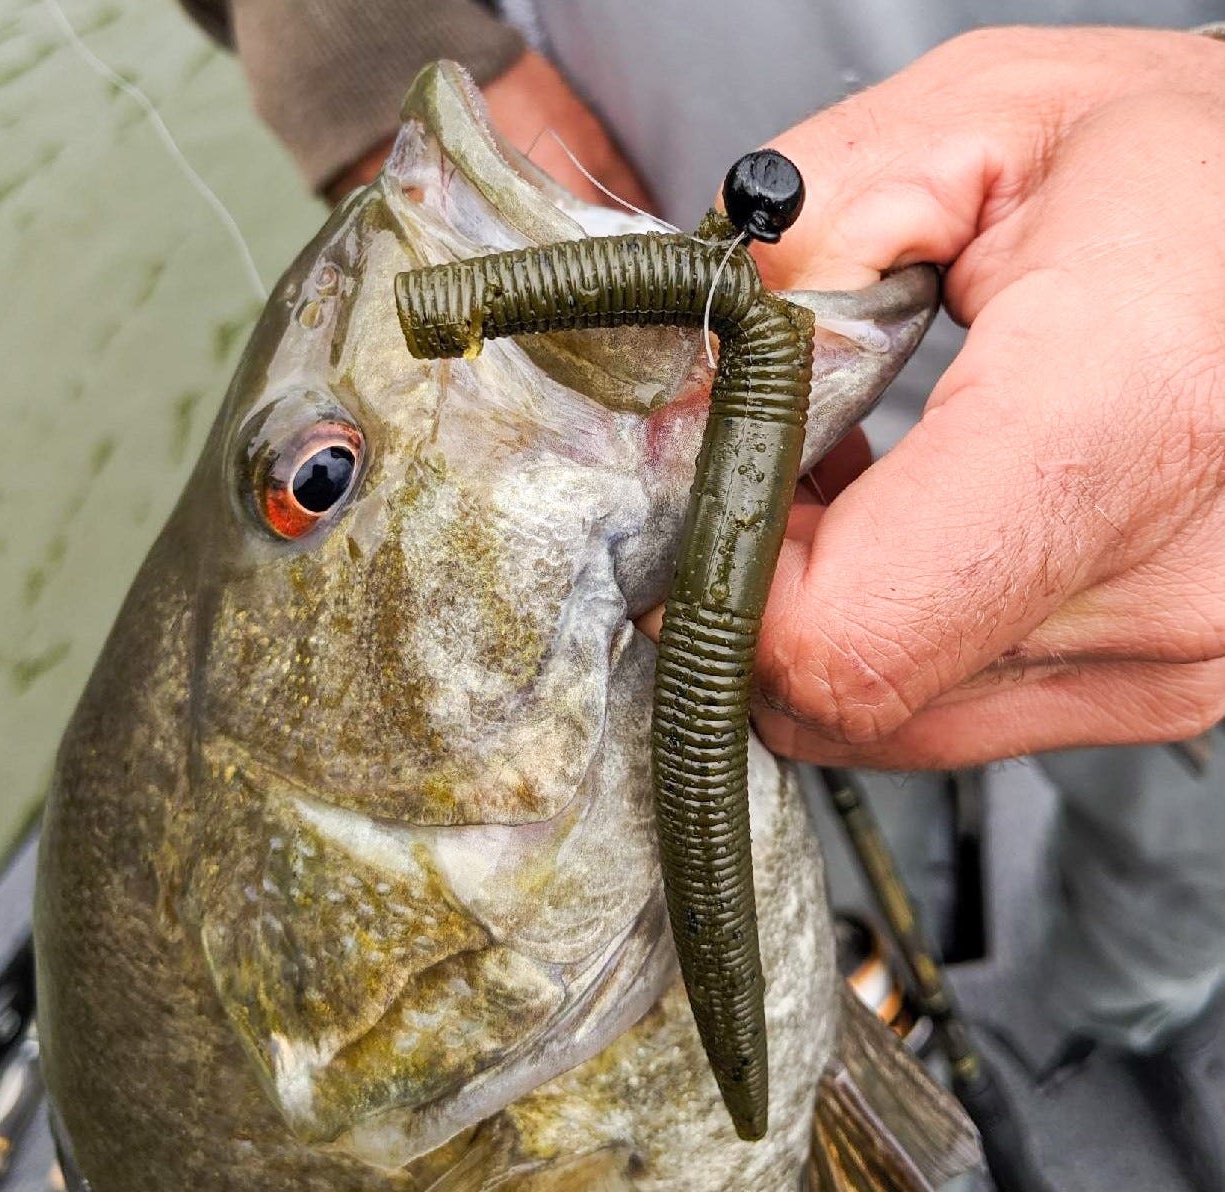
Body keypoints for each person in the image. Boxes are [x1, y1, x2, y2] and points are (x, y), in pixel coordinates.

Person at [177, 2, 1225, 1185]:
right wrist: (351, 37)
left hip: (1158, 304)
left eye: (321, 475)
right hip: (677, 311)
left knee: (1179, 829)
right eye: (316, 479)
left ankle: (1113, 1005)